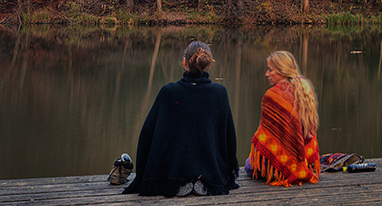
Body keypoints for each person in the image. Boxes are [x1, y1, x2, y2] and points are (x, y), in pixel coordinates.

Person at [123, 41, 239, 197]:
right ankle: (201, 180)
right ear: (208, 64)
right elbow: (228, 137)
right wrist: (229, 174)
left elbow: (147, 136)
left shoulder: (169, 92)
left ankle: (181, 180)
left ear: (184, 63)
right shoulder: (219, 93)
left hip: (173, 170)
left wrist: (143, 176)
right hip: (211, 172)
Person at [247, 50, 320, 186]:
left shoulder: (272, 96)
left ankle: (281, 171)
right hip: (303, 161)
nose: (266, 74)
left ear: (282, 71)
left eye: (270, 70)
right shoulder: (304, 89)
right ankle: (296, 168)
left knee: (248, 165)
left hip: (278, 167)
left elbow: (264, 137)